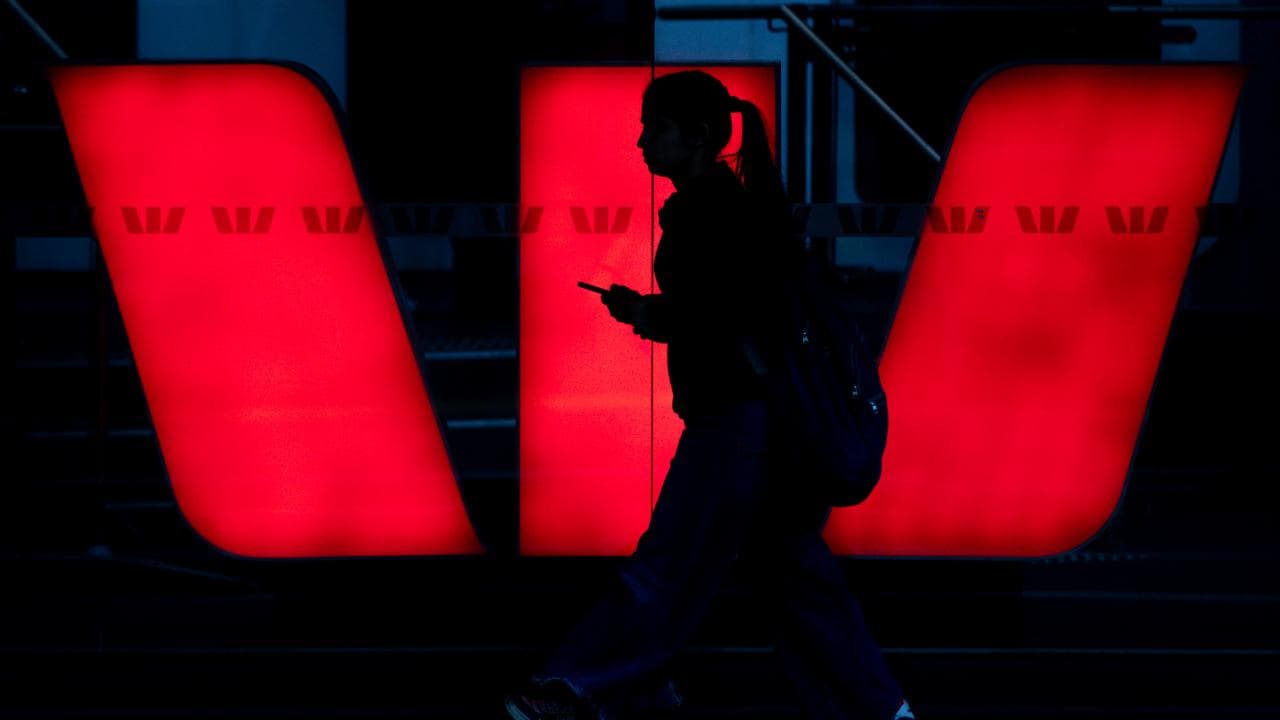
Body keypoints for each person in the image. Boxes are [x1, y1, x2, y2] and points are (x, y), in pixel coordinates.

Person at [505, 70, 914, 720]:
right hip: (768, 419)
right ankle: (879, 708)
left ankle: (579, 686)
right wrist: (657, 312)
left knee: (671, 561)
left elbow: (722, 314)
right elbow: (736, 308)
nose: (642, 142)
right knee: (795, 576)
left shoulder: (707, 213)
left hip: (733, 419)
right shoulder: (736, 208)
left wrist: (654, 315)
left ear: (695, 136)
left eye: (655, 128)